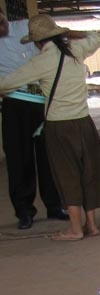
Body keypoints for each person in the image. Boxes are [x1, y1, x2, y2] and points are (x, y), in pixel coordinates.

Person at [0, 14, 100, 241]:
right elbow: (97, 36)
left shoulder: (40, 62)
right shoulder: (76, 51)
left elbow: (5, 84)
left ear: (36, 42)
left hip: (58, 126)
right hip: (84, 122)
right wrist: (70, 33)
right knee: (88, 172)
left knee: (67, 175)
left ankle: (75, 229)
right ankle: (91, 224)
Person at [0, 7, 67, 230]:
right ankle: (24, 211)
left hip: (41, 102)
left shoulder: (27, 27)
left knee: (48, 155)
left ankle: (54, 205)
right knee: (18, 158)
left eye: (0, 22)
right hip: (13, 103)